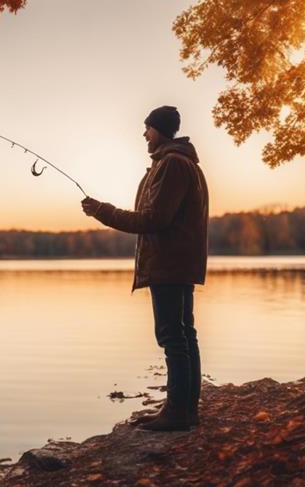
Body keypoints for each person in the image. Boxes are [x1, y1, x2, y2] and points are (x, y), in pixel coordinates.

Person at [81, 105, 209, 431]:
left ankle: (179, 412)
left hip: (169, 264)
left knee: (173, 337)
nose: (144, 134)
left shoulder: (172, 165)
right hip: (177, 263)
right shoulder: (181, 163)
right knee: (184, 335)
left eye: (148, 128)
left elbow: (154, 219)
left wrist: (102, 211)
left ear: (160, 130)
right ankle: (184, 409)